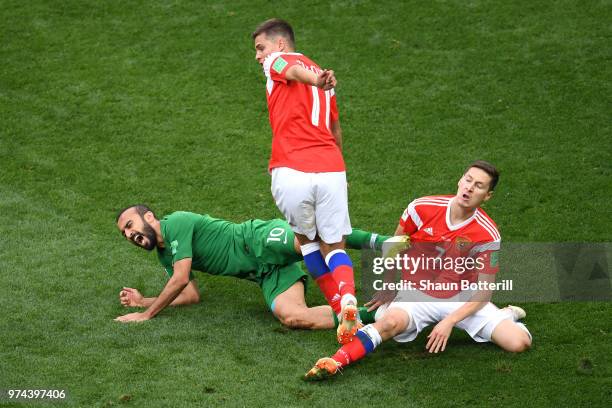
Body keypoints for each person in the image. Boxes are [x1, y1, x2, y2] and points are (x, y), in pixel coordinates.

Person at [305, 161, 532, 379]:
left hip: (461, 296)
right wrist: (389, 285)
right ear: (459, 180)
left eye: (479, 186)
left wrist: (450, 321)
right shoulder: (421, 208)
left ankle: (505, 314)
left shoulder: (488, 234)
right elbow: (394, 245)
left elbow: (483, 292)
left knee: (519, 342)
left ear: (487, 196)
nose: (469, 188)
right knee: (388, 323)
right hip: (417, 291)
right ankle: (335, 362)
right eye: (468, 180)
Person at [252, 18, 359, 343]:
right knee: (336, 244)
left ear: (280, 44)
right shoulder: (327, 80)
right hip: (331, 169)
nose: (259, 56)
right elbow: (335, 128)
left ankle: (340, 308)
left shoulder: (279, 62)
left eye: (261, 47)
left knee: (307, 241)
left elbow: (291, 70)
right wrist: (341, 172)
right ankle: (349, 300)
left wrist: (314, 79)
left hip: (291, 169)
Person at [114, 205, 390, 330]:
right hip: (266, 273)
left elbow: (181, 277)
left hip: (256, 239)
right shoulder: (165, 256)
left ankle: (387, 243)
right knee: (293, 317)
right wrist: (143, 301)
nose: (129, 235)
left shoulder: (176, 223)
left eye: (130, 225)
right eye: (125, 235)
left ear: (149, 217)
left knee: (314, 238)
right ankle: (380, 314)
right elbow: (189, 294)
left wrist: (148, 314)